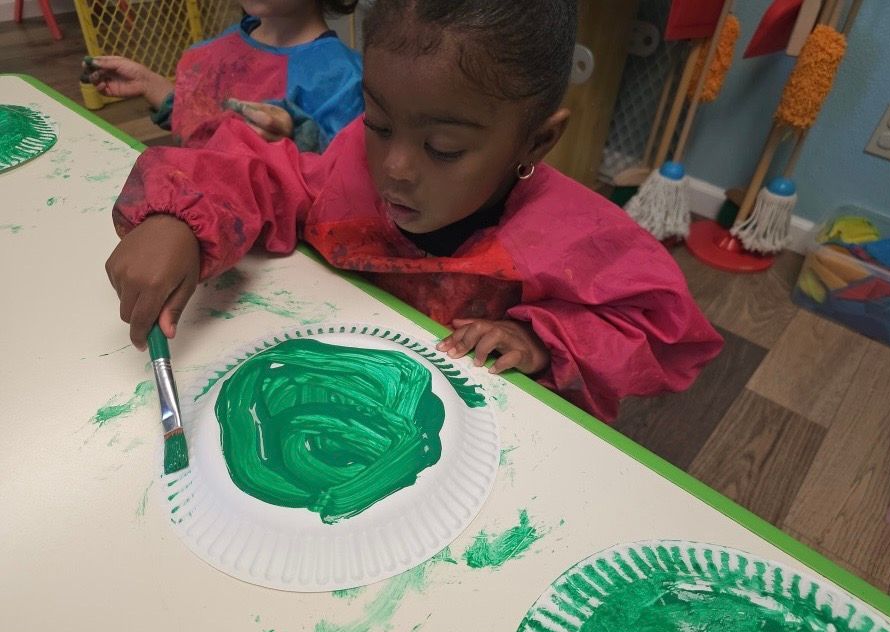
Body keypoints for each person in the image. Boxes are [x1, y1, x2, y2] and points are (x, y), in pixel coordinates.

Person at [105, 0, 723, 424]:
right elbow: (258, 169)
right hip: (344, 396)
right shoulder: (351, 171)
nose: (394, 167)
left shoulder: (577, 237)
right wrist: (178, 219)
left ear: (535, 141)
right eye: (377, 122)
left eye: (442, 148)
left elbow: (664, 329)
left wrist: (540, 339)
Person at [83, 0, 362, 150]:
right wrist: (151, 85)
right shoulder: (219, 48)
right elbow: (204, 128)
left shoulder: (344, 81)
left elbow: (343, 184)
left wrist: (298, 139)